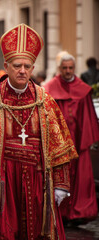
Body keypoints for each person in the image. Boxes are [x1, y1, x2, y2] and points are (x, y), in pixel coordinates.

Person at [0, 24, 78, 240]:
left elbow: (59, 148)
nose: (22, 70)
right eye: (17, 65)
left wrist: (60, 184)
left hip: (38, 181)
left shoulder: (44, 100)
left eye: (27, 66)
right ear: (6, 66)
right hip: (2, 182)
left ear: (32, 68)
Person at [44, 53, 99, 225]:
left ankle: (76, 213)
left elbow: (88, 117)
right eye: (64, 68)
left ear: (74, 68)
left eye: (70, 68)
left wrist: (85, 141)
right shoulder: (50, 88)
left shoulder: (82, 89)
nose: (68, 71)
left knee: (79, 180)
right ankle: (60, 212)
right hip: (57, 144)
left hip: (77, 142)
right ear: (59, 68)